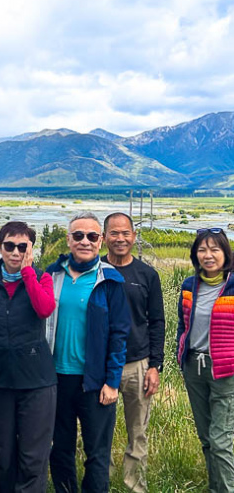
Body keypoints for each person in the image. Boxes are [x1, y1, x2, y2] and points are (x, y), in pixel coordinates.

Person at [46, 211, 130, 493]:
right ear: (69, 240)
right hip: (56, 379)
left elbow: (120, 334)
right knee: (60, 449)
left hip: (95, 382)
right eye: (78, 235)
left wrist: (112, 381)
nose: (85, 241)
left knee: (97, 454)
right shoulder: (51, 275)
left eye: (92, 236)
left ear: (101, 241)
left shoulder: (110, 281)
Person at [0, 221, 57, 492]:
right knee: (4, 456)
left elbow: (45, 308)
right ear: (0, 247)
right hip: (0, 380)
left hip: (37, 380)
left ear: (31, 249)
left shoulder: (41, 278)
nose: (15, 252)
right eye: (9, 246)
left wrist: (27, 274)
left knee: (33, 457)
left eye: (22, 247)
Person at [102, 212, 165, 492]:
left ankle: (134, 485)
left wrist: (155, 366)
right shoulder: (94, 271)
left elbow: (157, 321)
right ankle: (101, 482)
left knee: (137, 433)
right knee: (99, 432)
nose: (120, 238)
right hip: (100, 367)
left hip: (138, 364)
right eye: (113, 233)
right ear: (104, 238)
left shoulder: (147, 275)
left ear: (134, 237)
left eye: (125, 233)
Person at [177, 227, 234, 492]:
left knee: (221, 439)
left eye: (214, 249)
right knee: (207, 438)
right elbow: (183, 325)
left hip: (226, 372)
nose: (208, 255)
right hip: (194, 368)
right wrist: (181, 355)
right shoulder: (189, 286)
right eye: (202, 249)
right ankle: (216, 487)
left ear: (225, 253)